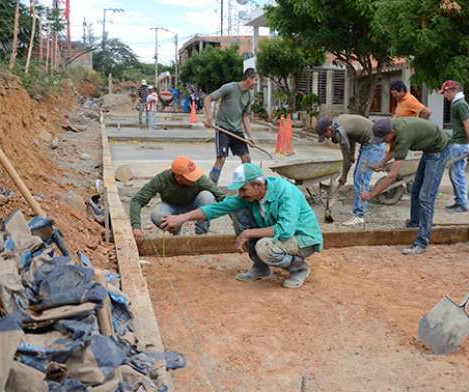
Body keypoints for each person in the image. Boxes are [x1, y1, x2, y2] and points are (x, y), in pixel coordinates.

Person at [160, 163, 323, 289]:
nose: (241, 194)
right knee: (238, 212)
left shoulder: (287, 193)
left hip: (303, 239)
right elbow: (216, 209)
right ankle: (261, 267)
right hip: (278, 236)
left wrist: (248, 233)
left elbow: (285, 231)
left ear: (258, 185)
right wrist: (181, 218)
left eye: (243, 189)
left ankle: (299, 269)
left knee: (264, 247)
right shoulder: (249, 196)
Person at [362, 118, 449, 255]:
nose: (383, 141)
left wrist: (371, 194)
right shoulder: (394, 129)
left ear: (391, 132)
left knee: (426, 197)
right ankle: (414, 224)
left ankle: (422, 242)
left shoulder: (403, 136)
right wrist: (381, 163)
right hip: (429, 150)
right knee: (415, 191)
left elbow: (392, 176)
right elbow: (392, 150)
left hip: (439, 151)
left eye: (384, 138)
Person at [129, 156, 224, 245]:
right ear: (178, 177)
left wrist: (236, 217)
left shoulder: (199, 178)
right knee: (157, 214)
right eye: (190, 177)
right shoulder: (162, 179)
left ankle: (201, 236)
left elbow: (221, 196)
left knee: (207, 196)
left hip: (194, 206)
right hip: (171, 207)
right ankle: (176, 233)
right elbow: (137, 200)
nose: (195, 179)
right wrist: (136, 227)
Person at [316, 114, 385, 226]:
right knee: (358, 177)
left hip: (374, 146)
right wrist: (352, 153)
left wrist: (343, 176)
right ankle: (359, 212)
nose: (328, 138)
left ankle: (359, 215)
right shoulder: (338, 122)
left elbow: (346, 159)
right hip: (369, 144)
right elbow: (351, 138)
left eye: (326, 135)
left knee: (361, 179)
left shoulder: (339, 132)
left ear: (329, 129)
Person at [204, 68, 258, 184]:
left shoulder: (250, 95)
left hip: (237, 130)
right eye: (255, 80)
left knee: (247, 159)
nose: (256, 83)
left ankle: (246, 186)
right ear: (248, 79)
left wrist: (250, 136)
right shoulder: (229, 88)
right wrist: (209, 117)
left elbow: (245, 117)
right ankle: (211, 186)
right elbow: (208, 98)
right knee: (221, 159)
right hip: (223, 128)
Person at [439, 80, 469, 213]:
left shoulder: (460, 105)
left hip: (460, 145)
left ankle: (462, 204)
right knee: (454, 174)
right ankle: (458, 201)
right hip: (457, 143)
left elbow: (467, 125)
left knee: (458, 174)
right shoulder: (457, 104)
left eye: (444, 93)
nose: (444, 96)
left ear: (450, 91)